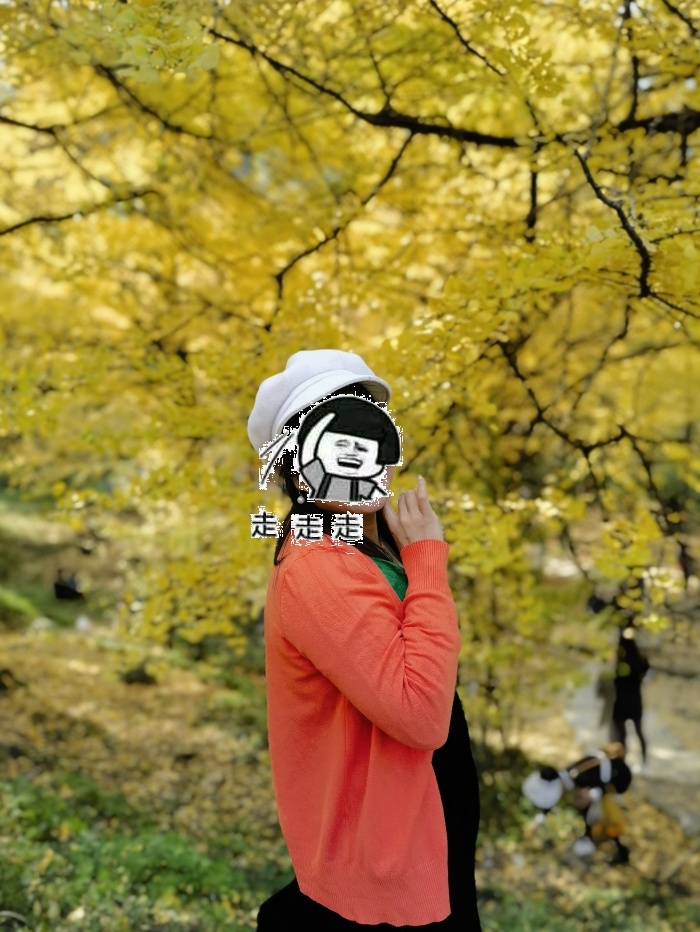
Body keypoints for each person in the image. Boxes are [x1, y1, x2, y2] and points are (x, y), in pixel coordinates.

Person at [247, 350, 481, 930]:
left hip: (421, 816)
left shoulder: (370, 549)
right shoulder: (318, 566)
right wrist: (427, 557)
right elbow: (419, 713)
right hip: (384, 854)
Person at [522, 743, 632, 865]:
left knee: (604, 818)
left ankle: (621, 852)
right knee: (590, 812)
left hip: (620, 779)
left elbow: (602, 783)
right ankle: (616, 849)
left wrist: (593, 794)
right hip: (611, 782)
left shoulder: (578, 776)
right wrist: (538, 821)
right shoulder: (570, 775)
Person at [610, 627, 650, 764]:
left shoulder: (621, 664)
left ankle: (623, 761)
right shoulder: (636, 663)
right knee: (635, 732)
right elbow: (646, 668)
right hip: (632, 701)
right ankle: (641, 762)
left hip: (623, 701)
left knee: (622, 735)